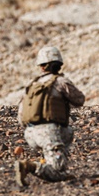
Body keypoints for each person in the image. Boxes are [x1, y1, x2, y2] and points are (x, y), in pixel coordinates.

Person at [14, 46, 85, 186]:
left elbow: (21, 116)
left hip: (30, 133)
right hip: (49, 132)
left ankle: (47, 159)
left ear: (41, 67)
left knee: (67, 132)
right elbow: (79, 100)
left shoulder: (31, 85)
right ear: (59, 65)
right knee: (58, 170)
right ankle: (29, 166)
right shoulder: (60, 82)